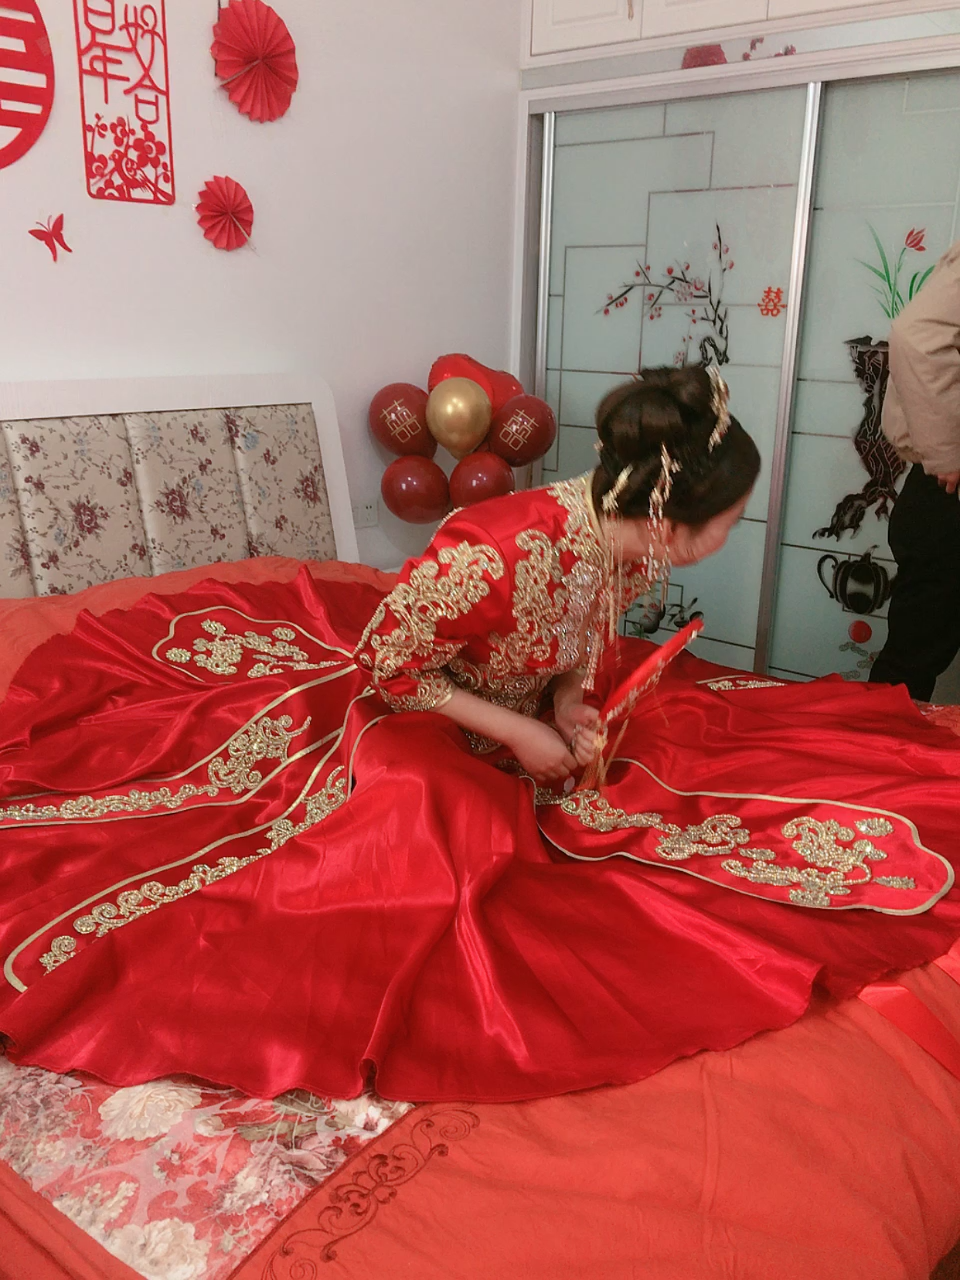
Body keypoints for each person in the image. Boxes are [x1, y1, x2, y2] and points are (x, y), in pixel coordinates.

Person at [0, 367, 958, 1105]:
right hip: (409, 710)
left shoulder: (629, 537)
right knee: (440, 825)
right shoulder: (495, 550)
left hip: (510, 702)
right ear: (672, 517)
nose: (733, 532)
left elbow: (585, 633)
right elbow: (385, 664)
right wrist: (513, 728)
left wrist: (570, 702)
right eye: (729, 520)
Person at [871, 240, 960, 701]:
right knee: (909, 666)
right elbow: (918, 338)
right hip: (948, 490)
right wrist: (951, 453)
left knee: (911, 658)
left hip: (942, 492)